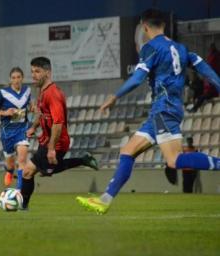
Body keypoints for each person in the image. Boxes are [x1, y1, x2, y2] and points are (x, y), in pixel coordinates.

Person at [76, 9, 220, 214]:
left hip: (164, 108)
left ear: (144, 27)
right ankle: (104, 200)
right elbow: (209, 72)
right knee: (128, 151)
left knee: (174, 160)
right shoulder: (182, 48)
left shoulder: (150, 48)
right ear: (163, 25)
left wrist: (114, 97)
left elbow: (136, 79)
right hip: (165, 110)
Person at [21, 56, 99, 210]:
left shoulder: (53, 94)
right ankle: (23, 206)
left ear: (48, 73)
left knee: (35, 171)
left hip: (57, 143)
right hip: (47, 141)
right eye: (32, 71)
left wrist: (51, 149)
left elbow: (58, 123)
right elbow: (41, 113)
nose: (34, 75)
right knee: (30, 172)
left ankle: (82, 160)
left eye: (37, 71)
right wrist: (33, 127)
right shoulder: (42, 91)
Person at [0, 67, 31, 189]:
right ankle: (10, 172)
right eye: (13, 78)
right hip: (7, 133)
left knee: (22, 160)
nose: (16, 80)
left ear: (22, 78)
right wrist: (5, 113)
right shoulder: (2, 93)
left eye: (18, 77)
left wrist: (32, 108)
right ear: (10, 79)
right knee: (11, 164)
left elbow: (29, 105)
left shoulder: (27, 90)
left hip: (22, 130)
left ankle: (19, 190)